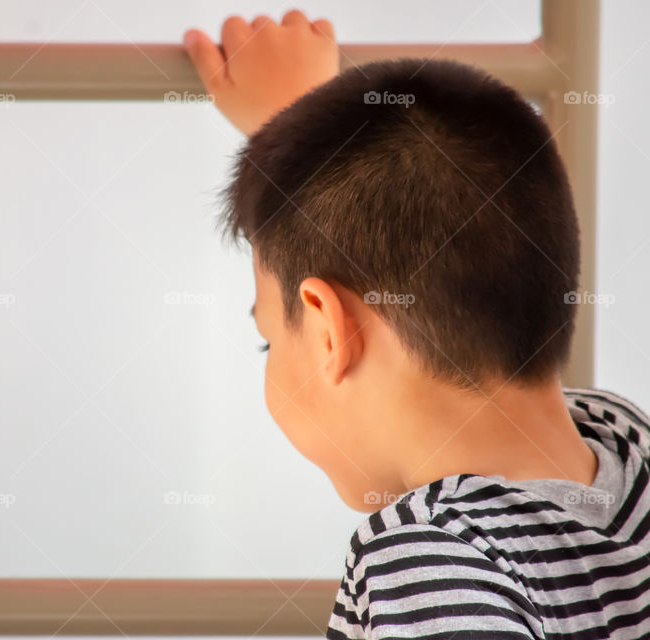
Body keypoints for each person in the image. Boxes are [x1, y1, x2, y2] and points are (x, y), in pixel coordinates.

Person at [183, 11, 650, 639]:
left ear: (330, 334)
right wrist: (305, 142)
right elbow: (454, 224)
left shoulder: (430, 565)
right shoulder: (625, 435)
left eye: (269, 340)